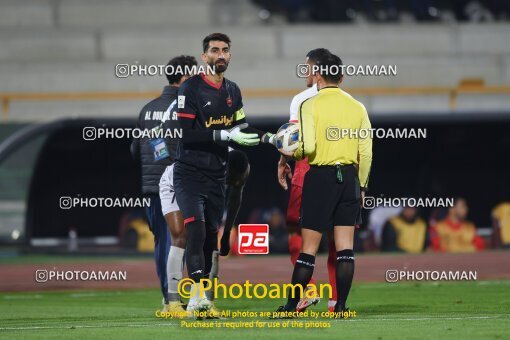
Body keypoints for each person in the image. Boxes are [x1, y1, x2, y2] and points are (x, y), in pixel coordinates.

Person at [173, 33, 271, 315]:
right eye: (215, 50)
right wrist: (222, 133)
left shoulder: (233, 90)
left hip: (217, 175)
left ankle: (204, 296)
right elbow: (186, 135)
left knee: (209, 239)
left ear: (230, 56)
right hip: (189, 173)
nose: (221, 55)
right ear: (205, 57)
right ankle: (194, 298)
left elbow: (242, 129)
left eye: (225, 50)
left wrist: (270, 139)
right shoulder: (190, 89)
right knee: (196, 230)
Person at [274, 51, 372, 316]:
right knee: (345, 248)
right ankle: (340, 306)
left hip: (320, 177)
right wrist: (362, 186)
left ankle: (292, 306)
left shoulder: (309, 104)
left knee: (308, 248)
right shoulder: (357, 106)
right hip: (350, 179)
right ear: (341, 77)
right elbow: (367, 151)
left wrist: (288, 151)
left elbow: (308, 146)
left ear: (318, 77)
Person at [275, 48, 340, 312]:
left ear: (315, 71)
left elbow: (294, 139)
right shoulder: (348, 100)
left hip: (308, 167)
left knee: (296, 230)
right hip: (340, 170)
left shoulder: (301, 100)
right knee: (339, 237)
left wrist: (282, 160)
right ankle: (336, 301)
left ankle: (308, 287)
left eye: (306, 68)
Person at [130, 55, 196, 311]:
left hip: (150, 184)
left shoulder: (147, 109)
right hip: (176, 181)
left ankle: (166, 296)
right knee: (180, 239)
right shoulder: (184, 107)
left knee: (162, 240)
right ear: (185, 78)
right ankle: (175, 298)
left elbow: (135, 150)